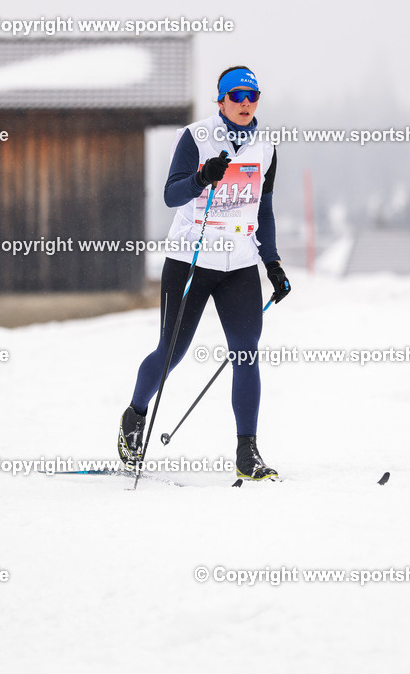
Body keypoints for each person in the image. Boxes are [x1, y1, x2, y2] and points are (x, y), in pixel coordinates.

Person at [117, 66, 290, 481]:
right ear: (221, 100)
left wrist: (273, 263)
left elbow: (262, 210)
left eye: (253, 97)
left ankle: (247, 452)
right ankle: (135, 416)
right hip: (190, 259)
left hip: (239, 264)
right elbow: (171, 193)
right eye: (237, 96)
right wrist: (201, 177)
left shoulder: (266, 147)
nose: (246, 104)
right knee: (170, 353)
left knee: (245, 353)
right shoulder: (195, 137)